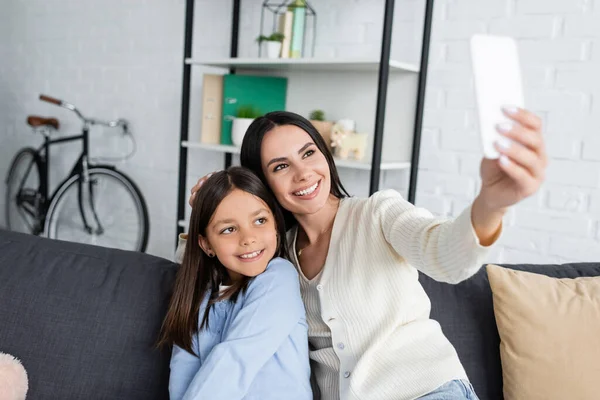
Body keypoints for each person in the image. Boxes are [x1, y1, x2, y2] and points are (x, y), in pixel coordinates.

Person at [182, 107, 547, 399]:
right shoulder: (275, 258)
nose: (303, 173)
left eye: (309, 153)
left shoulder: (378, 214)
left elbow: (446, 256)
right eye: (281, 166)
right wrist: (211, 209)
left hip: (427, 392)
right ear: (263, 183)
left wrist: (491, 205)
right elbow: (209, 281)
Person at [158, 166, 313, 400]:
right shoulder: (198, 298)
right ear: (206, 244)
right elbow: (182, 374)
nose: (248, 238)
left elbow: (236, 359)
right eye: (229, 229)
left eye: (260, 220)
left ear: (276, 227)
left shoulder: (278, 277)